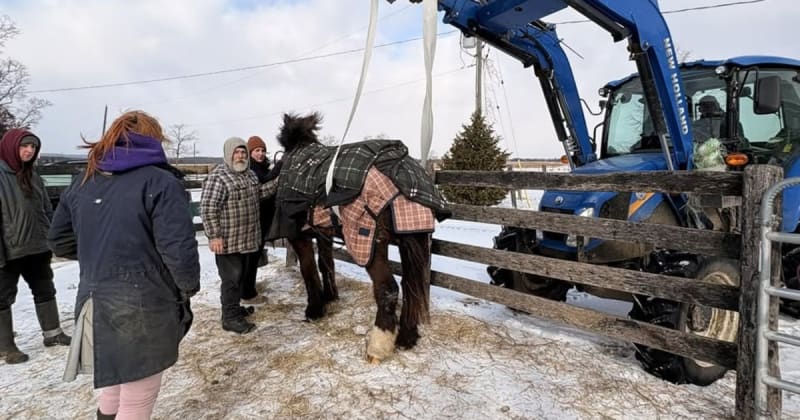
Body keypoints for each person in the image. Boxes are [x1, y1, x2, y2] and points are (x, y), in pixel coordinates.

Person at [48, 110, 200, 419]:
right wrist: (187, 288)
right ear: (153, 140)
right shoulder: (161, 181)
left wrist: (102, 254)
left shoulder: (83, 181)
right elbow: (178, 251)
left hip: (93, 299)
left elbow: (59, 240)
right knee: (137, 398)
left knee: (115, 384)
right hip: (143, 302)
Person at [0, 128, 71, 365]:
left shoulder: (32, 175)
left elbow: (45, 210)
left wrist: (50, 236)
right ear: (11, 146)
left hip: (38, 247)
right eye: (24, 146)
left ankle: (52, 333)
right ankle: (6, 346)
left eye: (33, 147)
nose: (29, 151)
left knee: (45, 289)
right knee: (2, 297)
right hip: (8, 250)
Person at [201, 137, 279, 334]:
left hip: (248, 239)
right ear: (229, 154)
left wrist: (279, 181)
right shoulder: (218, 177)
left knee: (242, 277)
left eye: (243, 152)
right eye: (237, 152)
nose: (241, 156)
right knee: (232, 280)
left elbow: (260, 192)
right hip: (228, 241)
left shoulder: (250, 175)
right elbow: (209, 208)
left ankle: (235, 309)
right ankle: (230, 318)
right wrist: (214, 236)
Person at [240, 136, 279, 305]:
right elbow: (264, 182)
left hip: (264, 217)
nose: (261, 154)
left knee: (254, 254)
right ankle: (247, 293)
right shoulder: (251, 169)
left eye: (263, 150)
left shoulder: (262, 166)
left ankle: (246, 288)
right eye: (257, 150)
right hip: (255, 218)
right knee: (251, 255)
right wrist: (279, 168)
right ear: (250, 153)